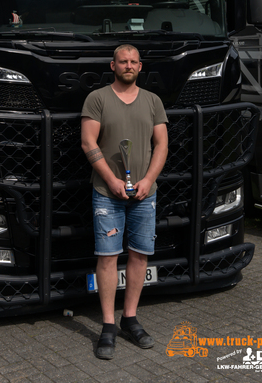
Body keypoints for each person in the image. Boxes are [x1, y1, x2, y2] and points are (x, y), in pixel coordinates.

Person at [81, 44, 168, 360]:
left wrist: (147, 181)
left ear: (140, 67)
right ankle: (107, 326)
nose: (128, 65)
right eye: (123, 61)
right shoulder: (98, 99)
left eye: (133, 61)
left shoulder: (153, 101)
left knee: (140, 255)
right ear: (112, 65)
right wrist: (112, 180)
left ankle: (129, 318)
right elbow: (88, 141)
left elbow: (161, 146)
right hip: (107, 193)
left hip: (145, 193)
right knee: (107, 257)